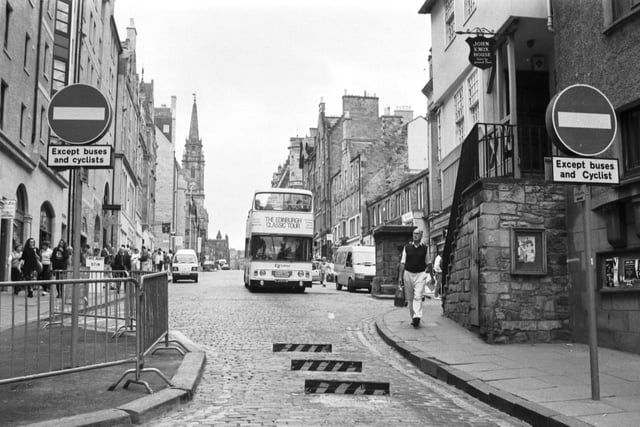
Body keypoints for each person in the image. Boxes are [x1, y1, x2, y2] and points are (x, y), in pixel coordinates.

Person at [398, 229, 430, 328]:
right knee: (410, 298)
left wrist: (432, 276)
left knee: (418, 295)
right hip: (408, 274)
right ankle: (414, 318)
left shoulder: (425, 248)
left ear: (421, 235)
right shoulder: (407, 248)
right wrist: (400, 277)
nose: (415, 236)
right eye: (414, 234)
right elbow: (402, 262)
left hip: (420, 274)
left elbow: (428, 262)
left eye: (417, 234)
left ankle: (417, 315)